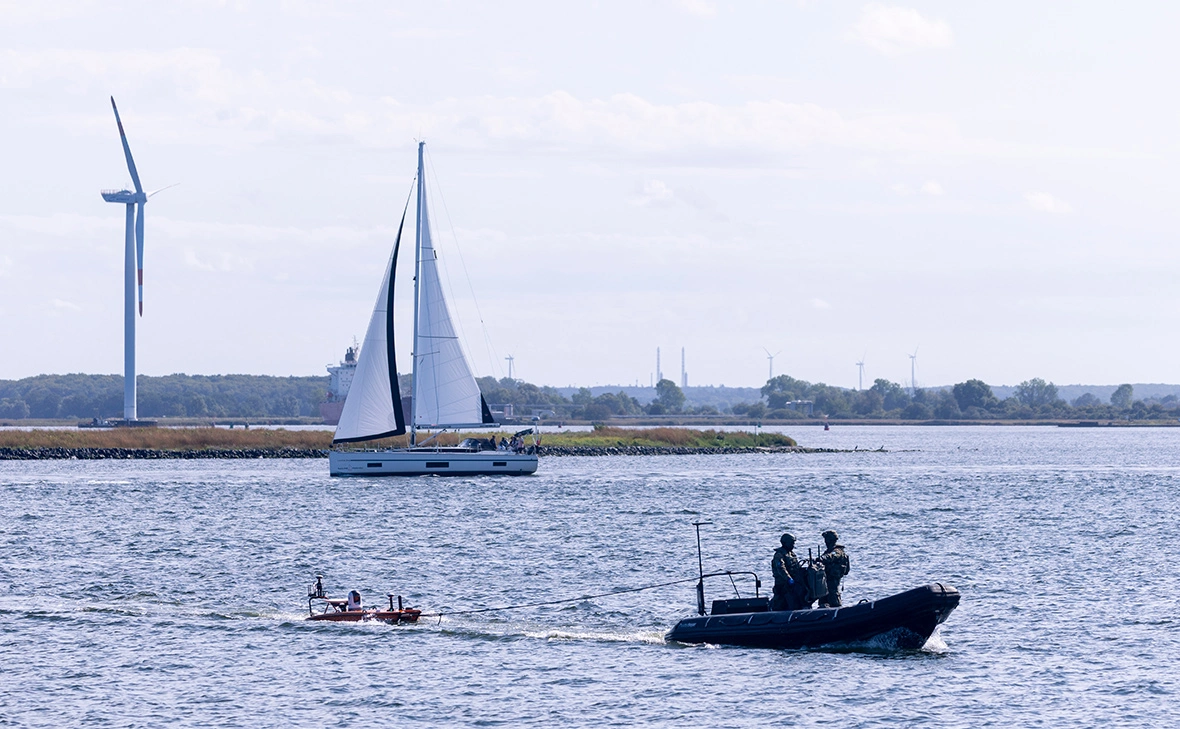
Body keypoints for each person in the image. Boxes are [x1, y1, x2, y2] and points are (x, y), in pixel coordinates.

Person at [771, 533, 809, 611]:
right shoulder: (779, 554)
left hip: (793, 583)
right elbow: (781, 568)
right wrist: (788, 579)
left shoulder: (791, 554)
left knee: (796, 600)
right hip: (782, 583)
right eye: (791, 543)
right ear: (785, 543)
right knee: (780, 602)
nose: (793, 545)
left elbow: (796, 567)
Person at [817, 530, 850, 608]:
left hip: (833, 576)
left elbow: (832, 556)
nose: (825, 542)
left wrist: (822, 558)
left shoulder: (837, 551)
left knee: (833, 592)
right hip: (827, 576)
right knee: (824, 594)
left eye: (826, 539)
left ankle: (837, 608)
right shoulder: (829, 550)